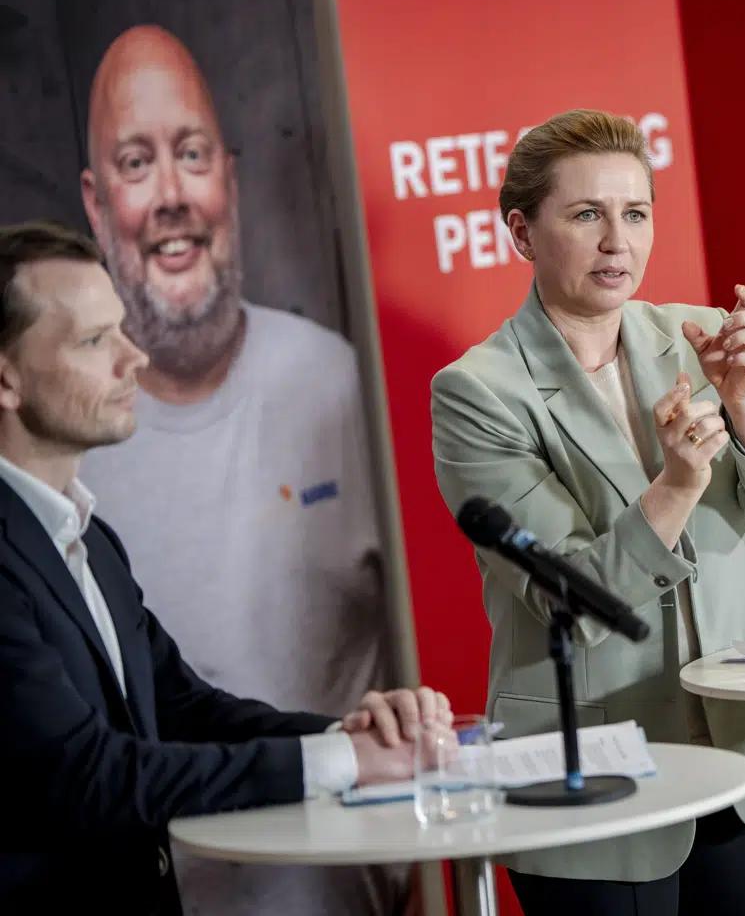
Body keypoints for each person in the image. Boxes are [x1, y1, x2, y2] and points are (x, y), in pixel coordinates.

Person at [430, 108, 745, 916]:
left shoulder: (700, 337)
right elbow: (571, 597)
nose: (619, 240)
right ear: (521, 232)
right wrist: (678, 487)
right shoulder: (478, 392)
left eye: (636, 213)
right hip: (597, 768)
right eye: (587, 215)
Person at [0, 219, 450, 915]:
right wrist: (339, 766)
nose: (134, 358)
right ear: (6, 377)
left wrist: (345, 735)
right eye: (94, 341)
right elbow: (87, 775)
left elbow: (182, 707)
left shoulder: (87, 536)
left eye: (122, 328)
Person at [73, 24, 403, 916]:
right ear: (98, 206)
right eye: (137, 163)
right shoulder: (58, 449)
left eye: (191, 153)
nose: (173, 194)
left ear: (233, 176)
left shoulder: (337, 380)